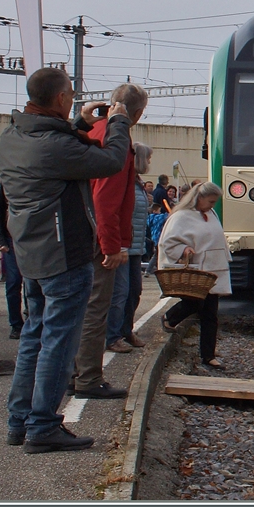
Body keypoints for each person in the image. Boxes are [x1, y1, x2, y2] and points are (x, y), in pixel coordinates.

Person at [0, 67, 131, 453]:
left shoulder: (12, 136)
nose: (73, 97)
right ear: (59, 98)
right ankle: (43, 426)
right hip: (64, 253)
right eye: (71, 94)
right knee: (58, 342)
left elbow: (56, 145)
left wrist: (79, 122)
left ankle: (19, 421)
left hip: (31, 253)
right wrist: (118, 121)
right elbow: (110, 161)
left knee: (35, 338)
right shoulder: (55, 148)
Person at [71, 84, 148, 400]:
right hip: (98, 237)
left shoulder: (92, 130)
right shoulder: (117, 139)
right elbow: (106, 197)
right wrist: (112, 244)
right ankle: (88, 378)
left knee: (77, 308)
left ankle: (72, 372)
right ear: (138, 113)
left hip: (77, 233)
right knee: (96, 308)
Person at [159, 182, 231, 368]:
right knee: (196, 304)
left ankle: (208, 355)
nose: (212, 206)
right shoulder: (181, 217)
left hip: (213, 270)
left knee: (210, 314)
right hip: (198, 269)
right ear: (198, 198)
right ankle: (171, 317)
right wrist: (183, 249)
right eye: (210, 201)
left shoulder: (211, 214)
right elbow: (168, 242)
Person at [106, 143, 152, 353]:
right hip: (124, 247)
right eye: (148, 158)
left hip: (135, 246)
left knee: (134, 290)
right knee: (120, 293)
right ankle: (112, 335)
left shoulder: (137, 184)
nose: (149, 163)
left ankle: (125, 330)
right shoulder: (125, 182)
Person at [0, 176, 25, 339]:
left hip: (31, 238)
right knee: (13, 282)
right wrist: (0, 240)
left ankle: (33, 320)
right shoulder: (5, 180)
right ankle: (16, 324)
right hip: (11, 238)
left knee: (34, 283)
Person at [146, 200, 169, 276]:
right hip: (159, 238)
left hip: (154, 238)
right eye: (159, 211)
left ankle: (152, 269)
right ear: (155, 211)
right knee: (157, 254)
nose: (160, 212)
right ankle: (150, 270)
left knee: (157, 254)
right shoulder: (157, 218)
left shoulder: (149, 218)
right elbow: (166, 216)